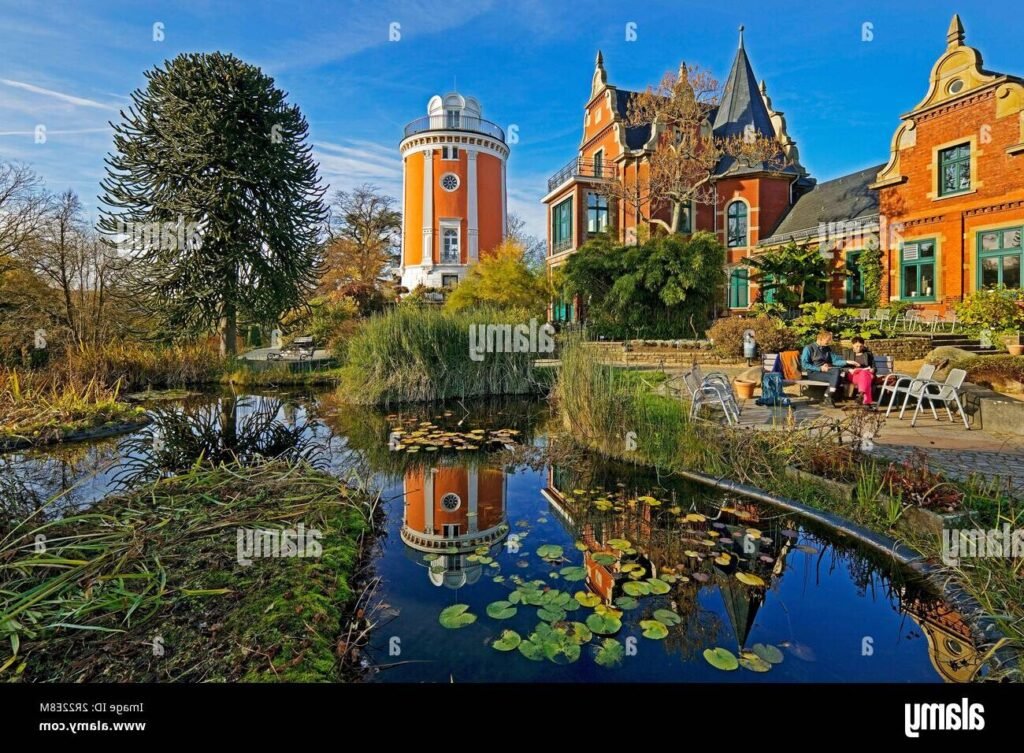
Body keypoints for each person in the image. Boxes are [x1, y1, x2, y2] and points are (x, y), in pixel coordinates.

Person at [799, 330, 848, 407]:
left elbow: (834, 360)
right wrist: (819, 368)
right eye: (828, 340)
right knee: (839, 376)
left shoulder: (827, 348)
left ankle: (827, 397)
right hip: (813, 373)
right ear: (820, 339)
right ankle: (827, 397)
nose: (829, 342)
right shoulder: (809, 348)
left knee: (838, 372)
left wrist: (847, 362)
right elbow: (804, 364)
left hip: (826, 371)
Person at [846, 336, 876, 407]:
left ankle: (861, 394)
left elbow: (874, 366)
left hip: (867, 373)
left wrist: (873, 369)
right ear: (852, 345)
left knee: (864, 373)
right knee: (866, 378)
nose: (859, 348)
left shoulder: (868, 354)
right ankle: (866, 402)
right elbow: (843, 366)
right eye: (856, 346)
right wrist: (850, 370)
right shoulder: (847, 353)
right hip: (853, 374)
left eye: (861, 346)